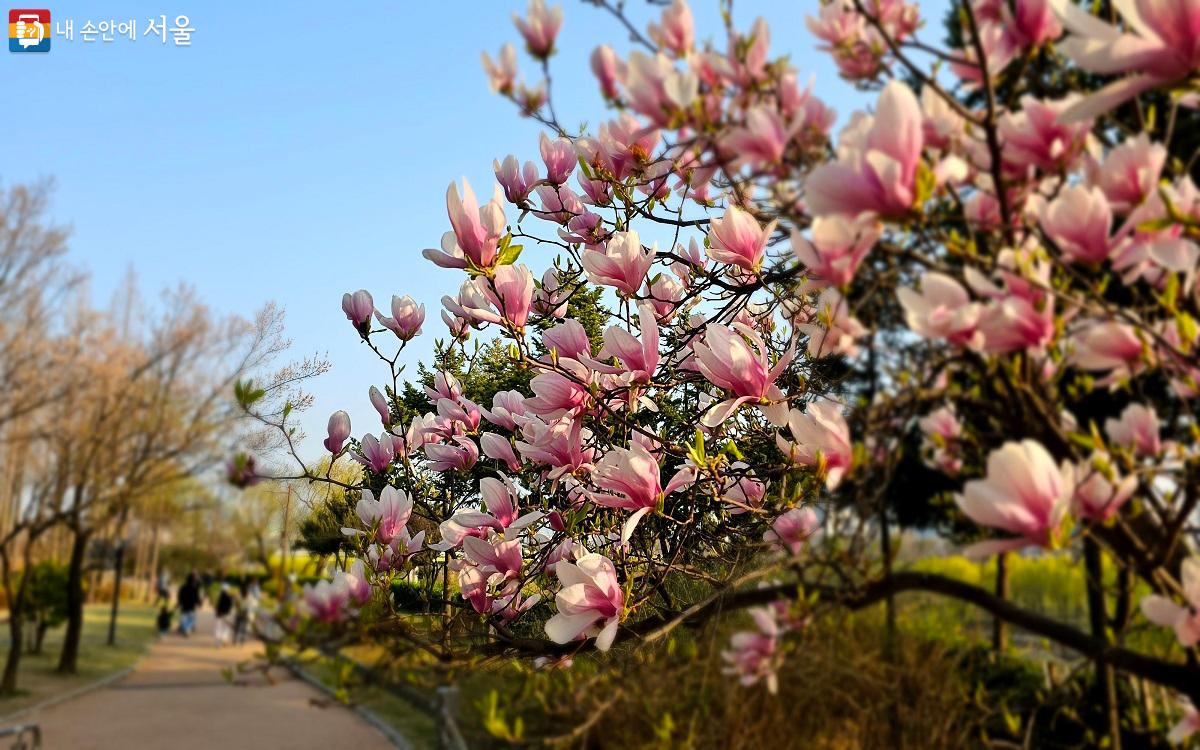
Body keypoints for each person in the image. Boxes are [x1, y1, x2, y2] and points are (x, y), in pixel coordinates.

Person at [177, 572, 201, 636]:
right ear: (193, 580)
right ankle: (187, 629)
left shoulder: (183, 587)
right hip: (191, 606)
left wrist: (179, 603)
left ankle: (185, 629)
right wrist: (199, 603)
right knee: (191, 619)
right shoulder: (195, 588)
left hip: (184, 605)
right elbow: (197, 597)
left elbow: (179, 596)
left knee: (184, 618)